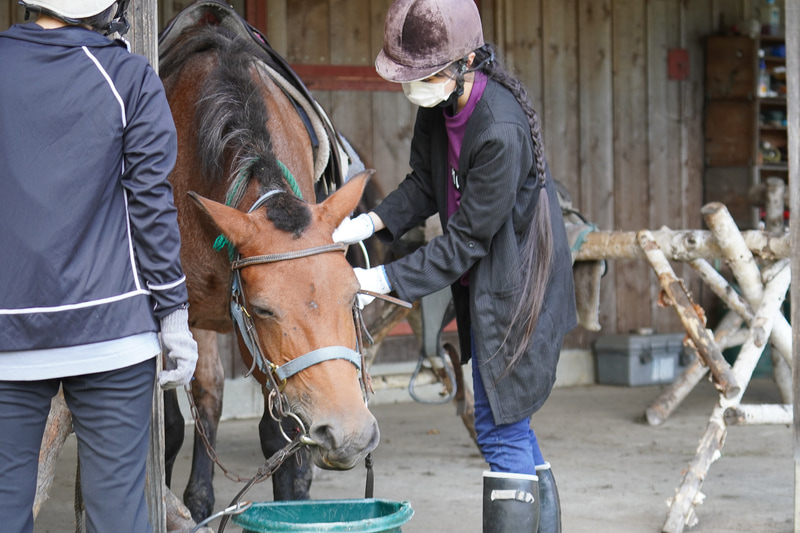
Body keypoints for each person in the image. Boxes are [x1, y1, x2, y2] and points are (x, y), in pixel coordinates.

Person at [333, 0, 576, 531]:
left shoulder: (500, 128)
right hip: (488, 282)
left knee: (499, 430)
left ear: (466, 62)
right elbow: (426, 183)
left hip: (520, 287)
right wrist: (368, 224)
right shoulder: (439, 103)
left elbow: (466, 240)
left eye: (422, 75)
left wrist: (380, 279)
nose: (412, 87)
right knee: (513, 425)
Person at [0, 2, 198, 532]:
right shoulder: (127, 77)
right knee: (118, 517)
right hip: (112, 328)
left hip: (7, 332)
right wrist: (174, 314)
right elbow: (150, 204)